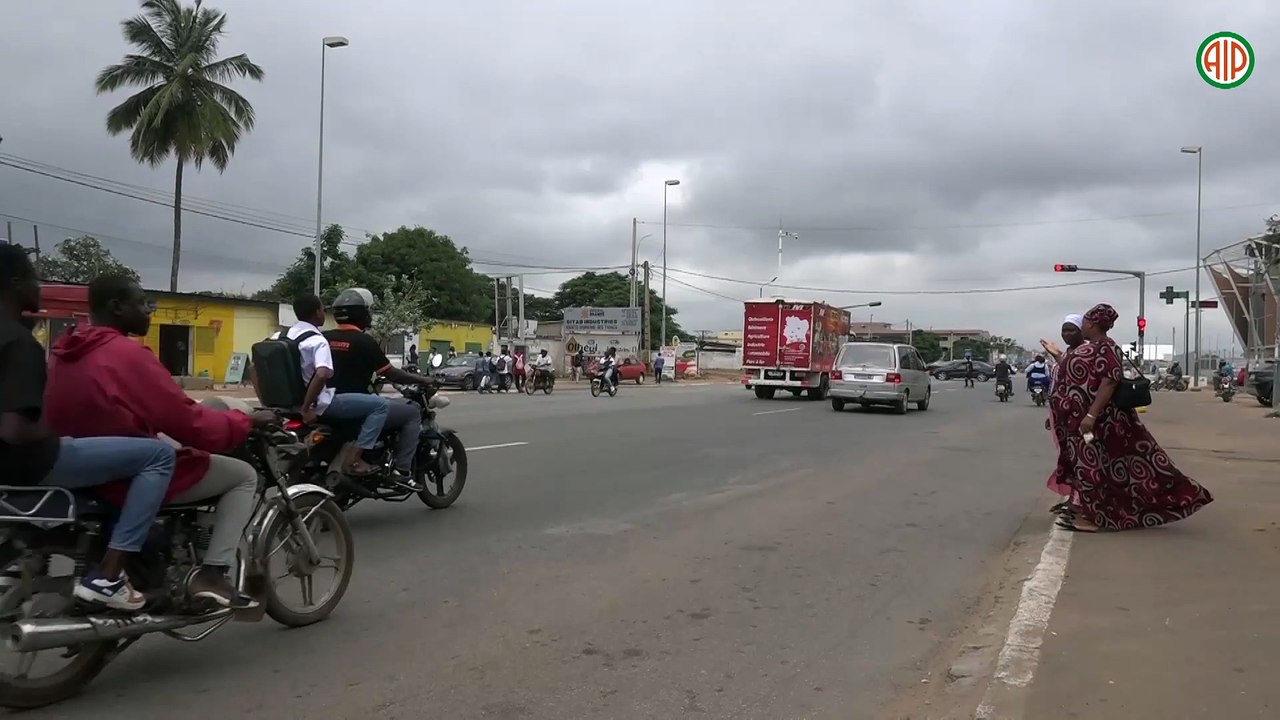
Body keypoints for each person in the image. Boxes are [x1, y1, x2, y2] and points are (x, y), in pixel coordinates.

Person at [45, 274, 268, 609]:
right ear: (117, 307)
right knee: (242, 476)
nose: (150, 310)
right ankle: (213, 573)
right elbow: (188, 423)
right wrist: (243, 421)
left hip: (83, 464)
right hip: (124, 474)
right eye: (142, 303)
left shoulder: (66, 351)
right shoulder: (125, 354)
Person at [0, 250, 178, 611]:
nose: (40, 287)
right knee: (158, 455)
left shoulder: (63, 348)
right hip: (29, 461)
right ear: (15, 285)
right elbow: (15, 430)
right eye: (34, 278)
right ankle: (111, 575)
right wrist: (55, 430)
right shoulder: (19, 343)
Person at [1050, 303, 1213, 532]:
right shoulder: (1096, 347)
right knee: (1103, 468)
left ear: (1093, 324)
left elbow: (1110, 381)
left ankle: (1093, 519)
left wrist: (1090, 415)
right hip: (1089, 421)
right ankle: (1095, 513)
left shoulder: (1104, 348)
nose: (1083, 326)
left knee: (1091, 467)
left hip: (1098, 423)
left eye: (1085, 321)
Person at [324, 288, 436, 485]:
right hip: (356, 407)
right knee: (411, 413)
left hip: (325, 404)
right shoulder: (364, 341)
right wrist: (422, 380)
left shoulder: (324, 338)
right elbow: (390, 373)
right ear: (361, 314)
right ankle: (402, 470)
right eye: (367, 312)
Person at [275, 294, 387, 475]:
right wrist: (305, 409)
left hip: (287, 406)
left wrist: (267, 402)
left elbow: (255, 367)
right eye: (322, 310)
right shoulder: (318, 340)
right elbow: (322, 374)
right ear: (317, 312)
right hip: (319, 405)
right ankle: (355, 459)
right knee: (380, 406)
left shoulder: (280, 336)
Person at [1040, 313, 1085, 513]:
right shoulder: (1068, 353)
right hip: (1060, 414)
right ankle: (1073, 498)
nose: (1067, 334)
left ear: (1081, 331)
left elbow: (1076, 376)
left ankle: (1079, 502)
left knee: (1078, 457)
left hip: (1077, 415)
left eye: (1071, 330)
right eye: (1064, 330)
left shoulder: (1084, 352)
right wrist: (1052, 416)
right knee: (1067, 456)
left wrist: (1057, 356)